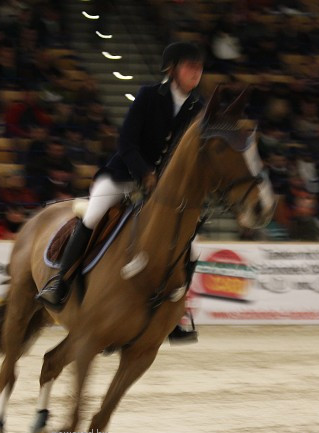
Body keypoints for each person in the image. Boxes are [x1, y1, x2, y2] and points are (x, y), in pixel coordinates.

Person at [37, 42, 205, 343]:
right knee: (93, 215)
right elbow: (126, 142)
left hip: (164, 193)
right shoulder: (148, 96)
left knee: (193, 247)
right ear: (172, 69)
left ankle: (174, 313)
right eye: (189, 65)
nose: (196, 71)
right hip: (124, 175)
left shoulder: (197, 107)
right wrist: (145, 174)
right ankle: (59, 284)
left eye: (199, 66)